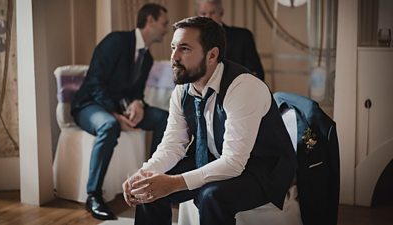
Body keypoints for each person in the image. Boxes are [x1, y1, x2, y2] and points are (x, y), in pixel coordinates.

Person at [122, 16, 297, 225]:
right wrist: (144, 173)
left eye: (185, 49)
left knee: (210, 196)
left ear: (212, 55)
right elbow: (173, 145)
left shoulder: (243, 87)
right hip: (213, 157)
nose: (174, 57)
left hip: (261, 170)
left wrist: (174, 183)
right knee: (149, 186)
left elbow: (233, 163)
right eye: (173, 47)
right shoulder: (182, 89)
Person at [71, 3, 169, 220]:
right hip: (89, 105)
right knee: (109, 124)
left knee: (163, 118)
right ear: (150, 20)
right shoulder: (116, 41)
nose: (166, 28)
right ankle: (93, 195)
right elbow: (95, 83)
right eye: (164, 23)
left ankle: (152, 180)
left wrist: (138, 104)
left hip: (119, 109)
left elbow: (137, 93)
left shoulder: (148, 58)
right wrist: (116, 114)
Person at [195, 0, 265, 80]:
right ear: (197, 15)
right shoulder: (193, 41)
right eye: (203, 13)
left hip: (238, 88)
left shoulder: (242, 36)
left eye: (212, 13)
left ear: (221, 13)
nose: (208, 17)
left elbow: (257, 73)